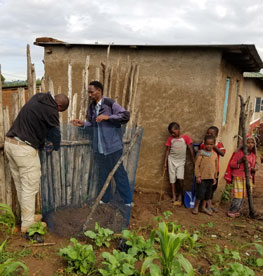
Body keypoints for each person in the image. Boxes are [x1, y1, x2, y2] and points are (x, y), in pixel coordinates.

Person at [4, 92, 69, 233]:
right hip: (24, 149)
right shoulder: (51, 110)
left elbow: (38, 123)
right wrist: (55, 146)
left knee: (21, 185)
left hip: (10, 144)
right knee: (30, 186)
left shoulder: (38, 97)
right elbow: (55, 134)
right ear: (59, 106)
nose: (57, 113)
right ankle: (27, 225)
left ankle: (27, 217)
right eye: (60, 111)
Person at [71, 81, 133, 205]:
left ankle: (127, 201)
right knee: (103, 174)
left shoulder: (109, 103)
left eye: (91, 92)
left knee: (119, 173)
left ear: (99, 91)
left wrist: (108, 117)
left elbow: (125, 116)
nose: (89, 95)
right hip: (100, 148)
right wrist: (83, 124)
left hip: (113, 146)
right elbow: (94, 125)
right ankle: (105, 199)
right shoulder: (92, 107)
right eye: (88, 92)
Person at [163, 122, 195, 206]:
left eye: (174, 132)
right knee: (172, 178)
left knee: (180, 178)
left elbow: (191, 149)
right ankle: (174, 195)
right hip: (171, 160)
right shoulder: (170, 139)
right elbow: (167, 151)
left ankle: (180, 195)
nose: (172, 134)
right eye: (171, 133)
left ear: (178, 129)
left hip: (181, 161)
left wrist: (193, 161)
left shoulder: (185, 138)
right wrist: (165, 162)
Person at [226, 136, 257, 218]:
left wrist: (253, 169)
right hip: (239, 177)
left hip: (247, 178)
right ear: (243, 144)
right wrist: (241, 160)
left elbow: (252, 166)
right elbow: (232, 164)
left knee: (244, 195)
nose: (250, 144)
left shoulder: (253, 155)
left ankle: (237, 210)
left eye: (252, 143)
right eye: (248, 142)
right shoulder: (239, 153)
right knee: (238, 195)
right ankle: (232, 210)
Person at [200, 126, 225, 212]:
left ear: (216, 135)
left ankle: (209, 204)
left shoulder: (219, 144)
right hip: (205, 171)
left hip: (215, 171)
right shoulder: (204, 144)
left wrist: (213, 146)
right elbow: (201, 153)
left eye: (212, 134)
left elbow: (222, 153)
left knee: (212, 188)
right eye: (208, 133)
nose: (209, 135)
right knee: (205, 188)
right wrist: (208, 151)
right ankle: (206, 205)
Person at [192, 134, 218, 216]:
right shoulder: (201, 153)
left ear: (214, 144)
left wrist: (215, 177)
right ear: (204, 144)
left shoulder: (214, 154)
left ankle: (203, 207)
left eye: (211, 144)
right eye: (207, 144)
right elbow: (197, 165)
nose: (209, 146)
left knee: (207, 194)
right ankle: (196, 207)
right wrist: (198, 176)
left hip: (210, 178)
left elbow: (215, 166)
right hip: (202, 178)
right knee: (200, 193)